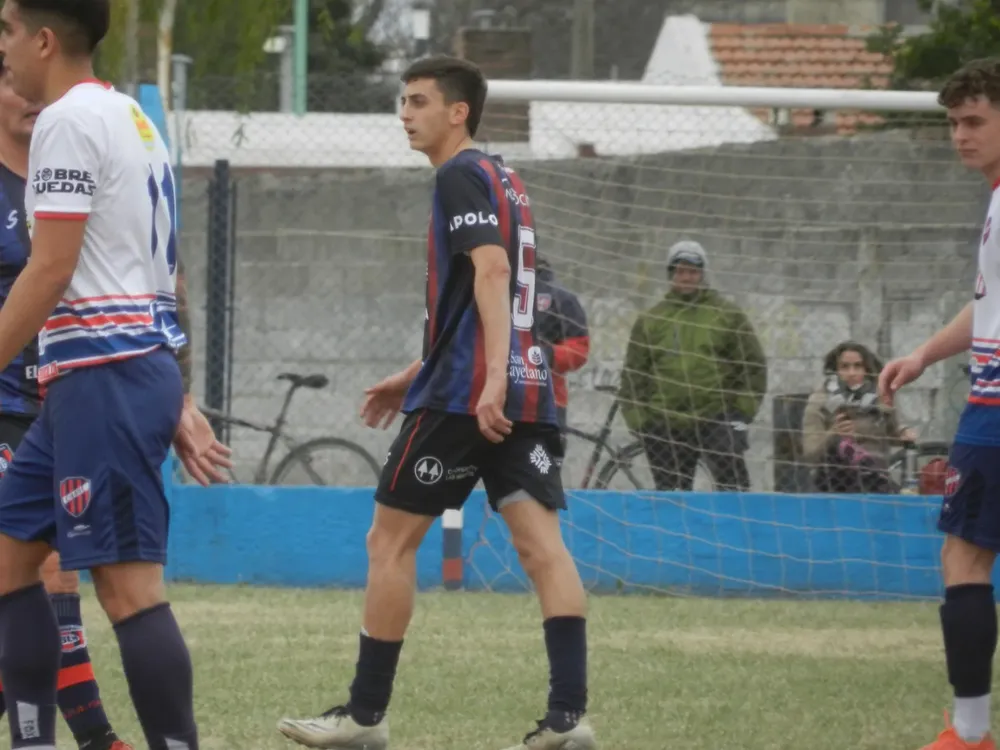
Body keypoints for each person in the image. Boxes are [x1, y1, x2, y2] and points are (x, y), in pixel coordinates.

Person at [277, 55, 596, 750]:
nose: (404, 113)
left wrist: (485, 382)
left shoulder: (458, 175)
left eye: (418, 101)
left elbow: (492, 270)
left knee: (388, 544)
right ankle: (569, 720)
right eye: (402, 101)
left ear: (459, 112)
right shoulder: (506, 179)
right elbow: (493, 301)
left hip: (468, 398)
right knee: (544, 550)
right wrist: (415, 372)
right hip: (523, 389)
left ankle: (364, 719)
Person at [0, 2, 231, 750]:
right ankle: (33, 740)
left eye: (5, 31)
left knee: (126, 590)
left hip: (107, 374)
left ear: (41, 39)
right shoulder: (129, 114)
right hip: (95, 375)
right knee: (7, 561)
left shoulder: (66, 120)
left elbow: (51, 268)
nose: (2, 49)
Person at [0, 54, 135, 750]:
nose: (25, 98)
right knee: (44, 566)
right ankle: (90, 737)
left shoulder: (76, 169)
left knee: (51, 573)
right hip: (2, 401)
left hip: (68, 397)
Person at [879, 57, 1000, 750]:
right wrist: (926, 352)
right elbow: (988, 304)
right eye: (954, 122)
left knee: (965, 559)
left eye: (976, 121)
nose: (961, 135)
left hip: (995, 409)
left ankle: (973, 734)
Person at [618, 239, 767, 491]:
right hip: (665, 422)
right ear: (670, 275)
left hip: (717, 418)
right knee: (672, 500)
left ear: (702, 274)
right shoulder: (651, 320)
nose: (686, 277)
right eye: (680, 271)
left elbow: (753, 365)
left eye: (693, 271)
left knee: (734, 491)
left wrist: (741, 412)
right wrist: (641, 423)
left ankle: (734, 529)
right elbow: (634, 374)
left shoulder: (727, 315)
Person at [803, 341, 916, 494]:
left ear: (867, 369)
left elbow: (891, 432)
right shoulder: (820, 400)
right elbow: (810, 453)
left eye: (858, 366)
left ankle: (877, 478)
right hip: (834, 480)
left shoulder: (880, 396)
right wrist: (833, 433)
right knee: (840, 444)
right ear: (835, 370)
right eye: (844, 367)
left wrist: (903, 432)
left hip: (876, 475)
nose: (851, 373)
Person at [535, 256, 590, 434]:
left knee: (545, 459)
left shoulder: (560, 296)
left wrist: (548, 355)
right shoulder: (499, 287)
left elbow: (580, 348)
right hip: (499, 398)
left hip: (548, 400)